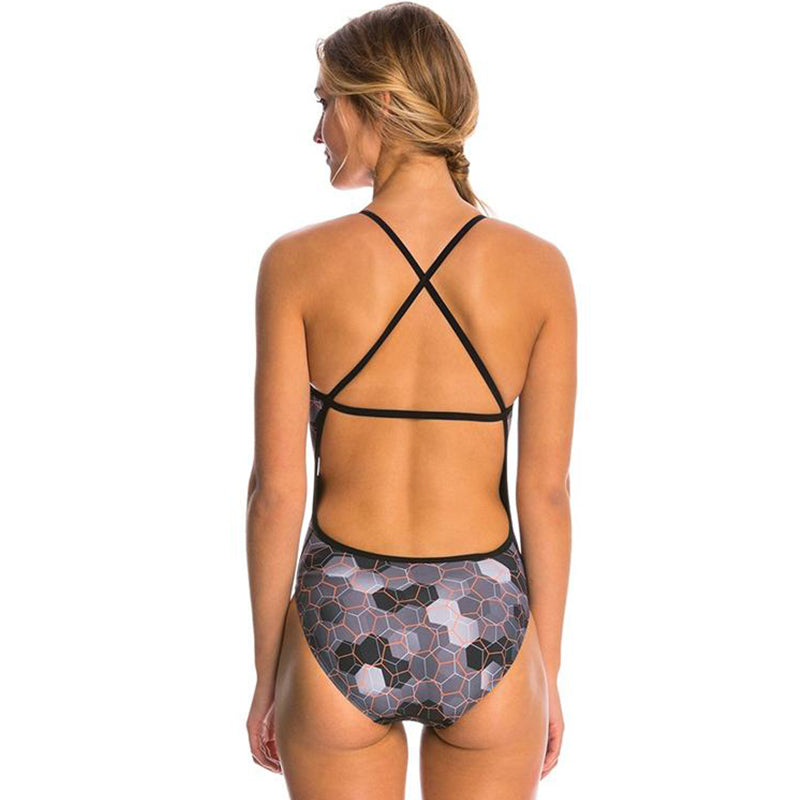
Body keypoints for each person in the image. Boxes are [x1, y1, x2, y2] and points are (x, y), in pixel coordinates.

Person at [245, 3, 576, 797]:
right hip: (488, 621)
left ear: (383, 104)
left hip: (339, 616)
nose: (318, 131)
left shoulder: (297, 264)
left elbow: (275, 493)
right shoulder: (540, 269)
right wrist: (546, 672)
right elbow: (547, 494)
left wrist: (267, 673)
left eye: (327, 103)